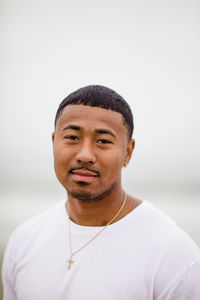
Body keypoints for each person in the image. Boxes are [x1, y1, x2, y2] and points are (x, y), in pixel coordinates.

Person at [2, 85, 200, 300]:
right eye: (72, 137)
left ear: (128, 152)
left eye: (103, 141)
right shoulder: (24, 240)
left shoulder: (173, 253)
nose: (85, 155)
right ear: (54, 142)